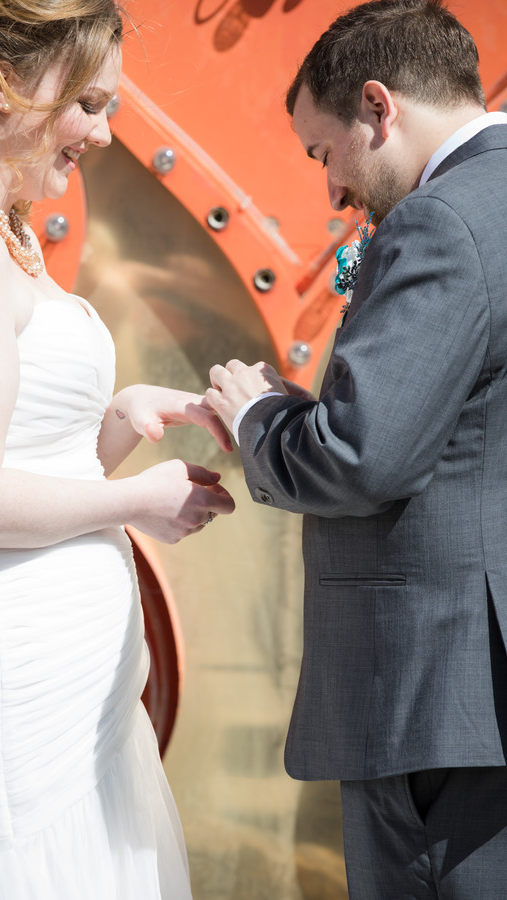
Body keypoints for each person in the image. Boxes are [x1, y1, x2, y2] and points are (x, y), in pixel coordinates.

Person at [0, 0, 236, 897]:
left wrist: (122, 418)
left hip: (63, 710)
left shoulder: (3, 233)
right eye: (88, 103)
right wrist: (137, 502)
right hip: (0, 709)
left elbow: (16, 462)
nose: (100, 131)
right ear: (3, 84)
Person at [206, 0, 507, 896]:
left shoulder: (442, 221)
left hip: (434, 700)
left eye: (322, 150)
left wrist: (260, 415)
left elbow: (364, 455)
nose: (331, 187)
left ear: (379, 107)